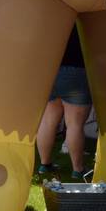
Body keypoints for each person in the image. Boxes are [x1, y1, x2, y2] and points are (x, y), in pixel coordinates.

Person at [36, 26, 91, 179]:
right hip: (76, 69)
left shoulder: (54, 11)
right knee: (75, 123)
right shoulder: (82, 12)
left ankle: (44, 164)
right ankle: (78, 169)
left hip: (49, 68)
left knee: (47, 121)